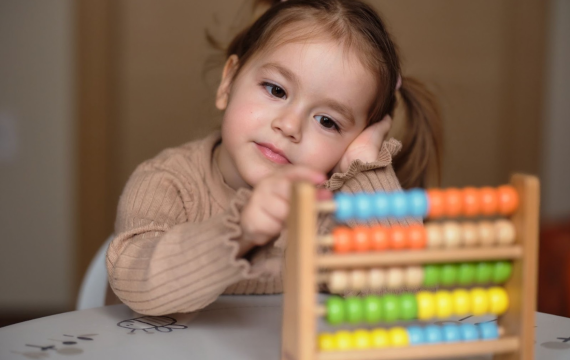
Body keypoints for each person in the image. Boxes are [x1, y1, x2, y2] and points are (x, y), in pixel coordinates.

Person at [105, 0, 442, 316]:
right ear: (228, 82)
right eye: (276, 90)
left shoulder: (328, 215)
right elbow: (134, 283)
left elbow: (397, 297)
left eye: (327, 121)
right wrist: (240, 234)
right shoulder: (168, 183)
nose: (289, 126)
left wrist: (364, 166)